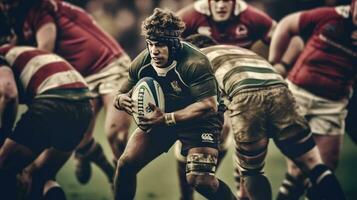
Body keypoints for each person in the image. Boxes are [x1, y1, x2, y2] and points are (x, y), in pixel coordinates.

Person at [185, 33, 346, 200]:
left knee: (252, 171)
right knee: (313, 164)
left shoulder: (196, 58)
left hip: (246, 97)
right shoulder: (237, 50)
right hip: (281, 90)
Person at [0, 0, 132, 184]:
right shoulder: (18, 21)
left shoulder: (41, 7)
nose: (6, 6)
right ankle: (98, 164)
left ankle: (118, 181)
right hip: (79, 79)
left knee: (116, 136)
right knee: (76, 135)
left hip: (110, 65)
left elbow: (45, 51)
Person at [113, 8, 236, 200]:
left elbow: (208, 106)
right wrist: (122, 101)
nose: (154, 50)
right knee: (125, 164)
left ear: (174, 44)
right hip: (160, 117)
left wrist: (167, 118)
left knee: (200, 181)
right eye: (151, 44)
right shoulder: (143, 61)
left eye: (160, 45)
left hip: (200, 122)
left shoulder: (194, 62)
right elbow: (120, 93)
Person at [269, 1, 356, 199]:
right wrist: (276, 63)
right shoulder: (329, 16)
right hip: (296, 96)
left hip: (332, 105)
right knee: (303, 168)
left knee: (324, 170)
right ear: (352, 4)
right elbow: (286, 25)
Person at [0, 44, 93, 199]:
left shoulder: (2, 55)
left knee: (4, 166)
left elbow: (9, 94)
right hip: (84, 107)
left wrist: (3, 138)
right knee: (38, 176)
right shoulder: (26, 52)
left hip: (54, 101)